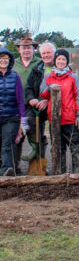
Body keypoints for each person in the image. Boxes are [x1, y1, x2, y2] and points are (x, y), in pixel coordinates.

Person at [40, 49, 79, 173]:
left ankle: (78, 172)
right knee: (58, 148)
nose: (61, 61)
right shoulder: (48, 77)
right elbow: (42, 94)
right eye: (58, 59)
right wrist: (49, 89)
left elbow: (78, 96)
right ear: (55, 61)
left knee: (75, 147)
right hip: (54, 119)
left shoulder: (72, 77)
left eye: (63, 59)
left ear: (67, 62)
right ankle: (60, 172)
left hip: (70, 118)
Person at [23, 42, 56, 164]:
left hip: (55, 106)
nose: (46, 55)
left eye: (49, 52)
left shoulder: (60, 67)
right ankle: (37, 153)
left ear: (54, 53)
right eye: (44, 53)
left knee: (56, 134)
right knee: (29, 120)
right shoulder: (37, 69)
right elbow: (28, 87)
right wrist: (32, 99)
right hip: (37, 105)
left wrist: (48, 100)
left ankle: (57, 163)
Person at [13, 36, 41, 173]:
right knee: (17, 135)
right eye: (24, 48)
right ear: (19, 49)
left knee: (35, 134)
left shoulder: (39, 63)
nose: (26, 50)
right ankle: (14, 166)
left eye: (29, 48)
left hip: (33, 106)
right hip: (16, 106)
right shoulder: (13, 64)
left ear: (34, 49)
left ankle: (37, 168)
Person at [0, 48, 28, 176]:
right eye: (1, 58)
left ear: (10, 60)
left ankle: (7, 170)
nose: (3, 61)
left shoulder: (15, 76)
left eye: (6, 58)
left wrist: (23, 120)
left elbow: (20, 99)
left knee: (8, 143)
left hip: (11, 116)